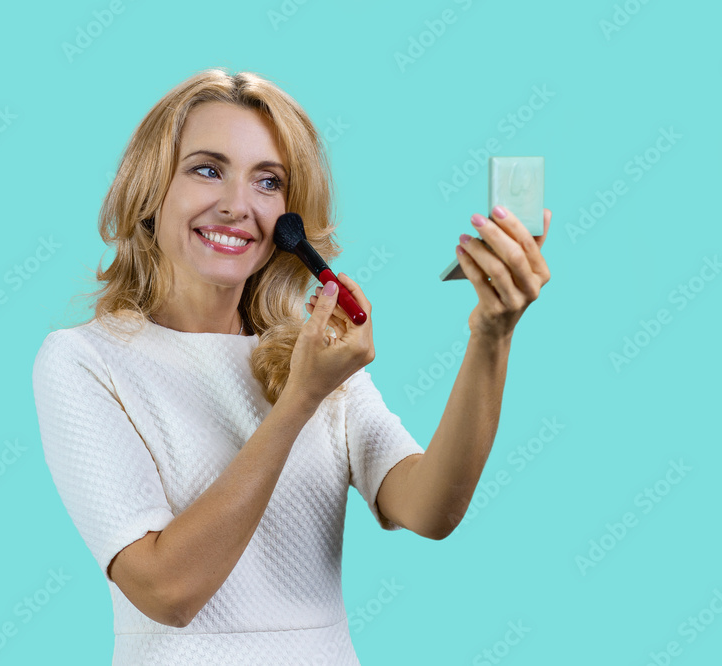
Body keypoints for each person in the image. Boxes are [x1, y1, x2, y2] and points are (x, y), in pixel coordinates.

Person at [31, 68, 552, 665]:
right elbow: (167, 592)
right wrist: (299, 402)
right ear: (152, 191)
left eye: (268, 182)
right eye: (207, 169)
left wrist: (491, 337)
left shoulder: (311, 355)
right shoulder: (85, 361)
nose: (237, 206)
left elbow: (430, 508)